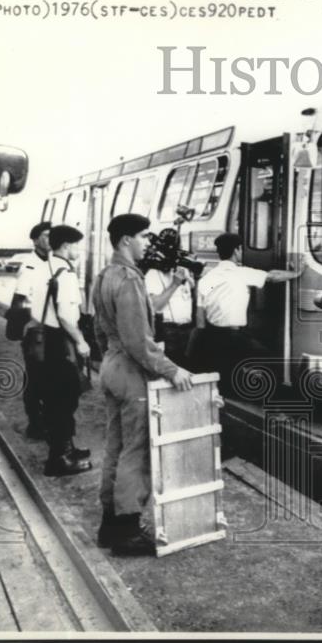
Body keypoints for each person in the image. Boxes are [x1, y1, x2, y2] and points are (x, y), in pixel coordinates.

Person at [93, 213, 193, 556]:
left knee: (115, 448)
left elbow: (101, 327)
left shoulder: (104, 276)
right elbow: (139, 340)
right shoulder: (130, 279)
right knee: (137, 451)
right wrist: (171, 370)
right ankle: (127, 530)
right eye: (144, 237)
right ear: (126, 240)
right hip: (131, 371)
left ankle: (109, 524)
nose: (148, 243)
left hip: (111, 365)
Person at [189, 232, 303, 391]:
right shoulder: (241, 273)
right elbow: (273, 277)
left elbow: (200, 320)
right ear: (237, 250)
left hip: (212, 337)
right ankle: (269, 400)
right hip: (235, 336)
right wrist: (296, 273)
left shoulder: (205, 280)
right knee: (270, 360)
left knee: (224, 377)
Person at [38, 224, 93, 477]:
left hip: (50, 340)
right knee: (64, 399)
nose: (78, 250)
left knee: (57, 398)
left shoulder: (48, 267)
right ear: (67, 246)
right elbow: (65, 315)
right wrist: (80, 341)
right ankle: (59, 459)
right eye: (76, 245)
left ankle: (66, 448)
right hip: (62, 342)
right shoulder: (67, 275)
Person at [10, 221, 51, 440]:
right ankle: (35, 424)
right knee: (36, 379)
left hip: (53, 330)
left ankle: (47, 421)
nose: (49, 239)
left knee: (51, 379)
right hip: (37, 332)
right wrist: (23, 331)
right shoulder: (30, 265)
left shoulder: (54, 262)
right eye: (45, 236)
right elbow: (21, 300)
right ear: (35, 240)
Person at [144, 265, 195, 366]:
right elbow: (155, 306)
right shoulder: (153, 274)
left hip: (187, 331)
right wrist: (175, 284)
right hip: (168, 332)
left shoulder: (182, 271)